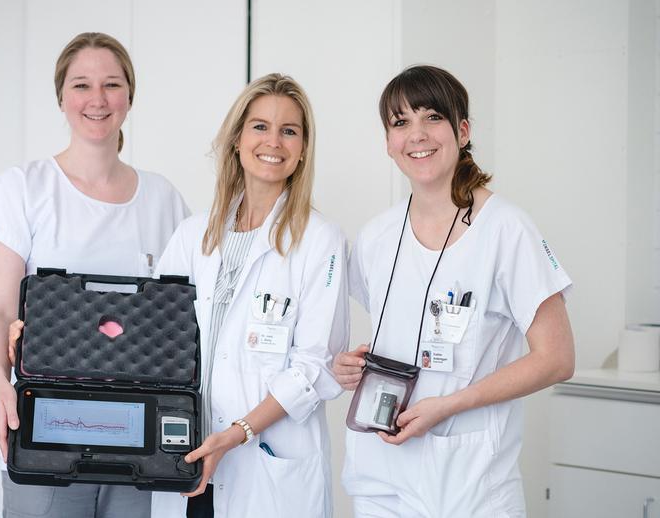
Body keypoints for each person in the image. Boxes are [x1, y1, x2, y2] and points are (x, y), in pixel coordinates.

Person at [333, 65, 574, 517]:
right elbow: (393, 340)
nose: (417, 135)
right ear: (388, 141)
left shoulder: (505, 229)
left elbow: (557, 358)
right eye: (401, 122)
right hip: (380, 478)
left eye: (432, 117)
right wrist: (347, 367)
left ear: (462, 131)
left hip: (470, 481)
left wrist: (448, 405)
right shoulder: (376, 237)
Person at [0, 32, 189, 518]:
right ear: (62, 98)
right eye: (81, 85)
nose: (97, 99)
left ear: (129, 96)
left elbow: (184, 322)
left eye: (111, 84)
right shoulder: (22, 189)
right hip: (44, 432)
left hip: (140, 440)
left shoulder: (164, 201)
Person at [150, 73, 349, 518]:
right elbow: (153, 340)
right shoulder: (192, 235)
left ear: (302, 151)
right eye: (260, 126)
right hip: (186, 455)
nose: (273, 141)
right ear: (237, 139)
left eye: (289, 130)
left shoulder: (320, 241)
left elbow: (315, 367)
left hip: (264, 467)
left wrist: (236, 433)